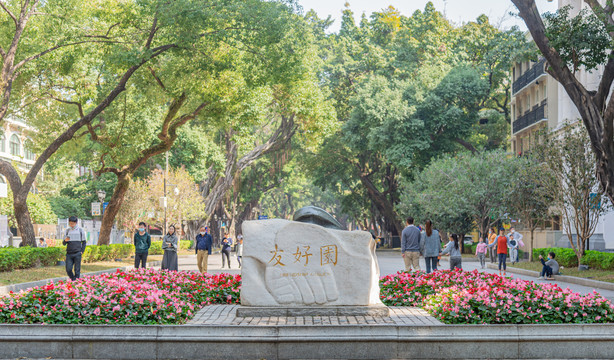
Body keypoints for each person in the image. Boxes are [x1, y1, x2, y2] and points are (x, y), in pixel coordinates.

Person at [62, 216, 87, 281]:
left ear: (76, 223)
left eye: (72, 223)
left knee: (77, 269)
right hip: (69, 254)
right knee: (68, 269)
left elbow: (84, 242)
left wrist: (82, 251)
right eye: (70, 223)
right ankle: (73, 279)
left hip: (77, 253)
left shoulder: (80, 230)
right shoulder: (67, 230)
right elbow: (64, 243)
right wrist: (65, 240)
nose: (71, 225)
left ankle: (76, 282)